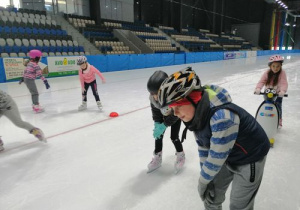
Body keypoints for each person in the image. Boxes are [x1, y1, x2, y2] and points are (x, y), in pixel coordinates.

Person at [157, 67, 270, 210]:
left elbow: (217, 157)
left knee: (239, 205)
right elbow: (204, 148)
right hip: (227, 153)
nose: (176, 113)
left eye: (177, 106)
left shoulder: (222, 117)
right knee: (211, 197)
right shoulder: (196, 116)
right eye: (172, 109)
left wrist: (203, 181)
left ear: (194, 98)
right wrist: (206, 179)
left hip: (250, 156)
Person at [147, 70, 185, 173]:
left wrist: (164, 124)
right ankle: (157, 157)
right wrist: (157, 124)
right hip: (163, 116)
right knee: (158, 136)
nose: (155, 96)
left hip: (175, 117)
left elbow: (176, 114)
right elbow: (155, 112)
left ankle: (180, 154)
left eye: (157, 93)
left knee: (174, 137)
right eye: (152, 93)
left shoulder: (173, 96)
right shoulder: (153, 99)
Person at [255, 55, 288, 127]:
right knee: (267, 105)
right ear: (270, 66)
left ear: (281, 66)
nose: (276, 68)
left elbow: (284, 83)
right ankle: (266, 118)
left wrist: (282, 91)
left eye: (278, 66)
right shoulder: (267, 73)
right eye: (274, 66)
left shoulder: (282, 73)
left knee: (278, 107)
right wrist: (258, 88)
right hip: (267, 93)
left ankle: (279, 120)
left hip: (278, 94)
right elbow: (262, 81)